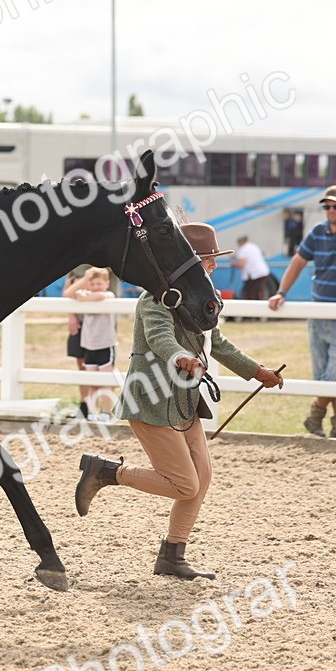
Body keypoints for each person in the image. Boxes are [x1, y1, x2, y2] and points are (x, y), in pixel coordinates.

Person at [74, 223, 284, 580]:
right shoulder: (155, 297)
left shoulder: (202, 298)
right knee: (185, 483)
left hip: (184, 399)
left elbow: (217, 343)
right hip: (152, 399)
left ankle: (172, 555)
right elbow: (159, 338)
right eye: (208, 261)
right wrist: (180, 358)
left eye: (213, 261)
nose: (213, 267)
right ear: (188, 262)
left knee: (201, 479)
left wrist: (256, 371)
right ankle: (106, 472)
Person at [268, 185, 336, 439]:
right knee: (326, 373)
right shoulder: (318, 232)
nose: (331, 210)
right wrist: (282, 291)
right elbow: (298, 261)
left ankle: (316, 413)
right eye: (327, 206)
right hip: (319, 312)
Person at [63, 266, 118, 421]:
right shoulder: (85, 291)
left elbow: (101, 296)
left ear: (106, 283)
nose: (95, 287)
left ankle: (106, 412)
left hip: (105, 343)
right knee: (91, 380)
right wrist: (85, 279)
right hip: (89, 344)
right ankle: (92, 412)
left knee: (105, 380)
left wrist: (84, 297)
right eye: (92, 284)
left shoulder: (107, 294)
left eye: (98, 284)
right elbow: (67, 293)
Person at [62, 264, 94, 417]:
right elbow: (67, 290)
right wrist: (71, 316)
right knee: (82, 366)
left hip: (99, 324)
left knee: (100, 367)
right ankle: (84, 406)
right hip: (80, 321)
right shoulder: (76, 263)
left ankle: (101, 409)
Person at [232, 234, 270, 301]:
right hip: (261, 272)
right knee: (258, 291)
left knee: (250, 293)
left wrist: (233, 264)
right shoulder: (253, 246)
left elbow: (241, 264)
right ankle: (258, 306)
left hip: (254, 274)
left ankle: (253, 307)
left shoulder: (243, 249)